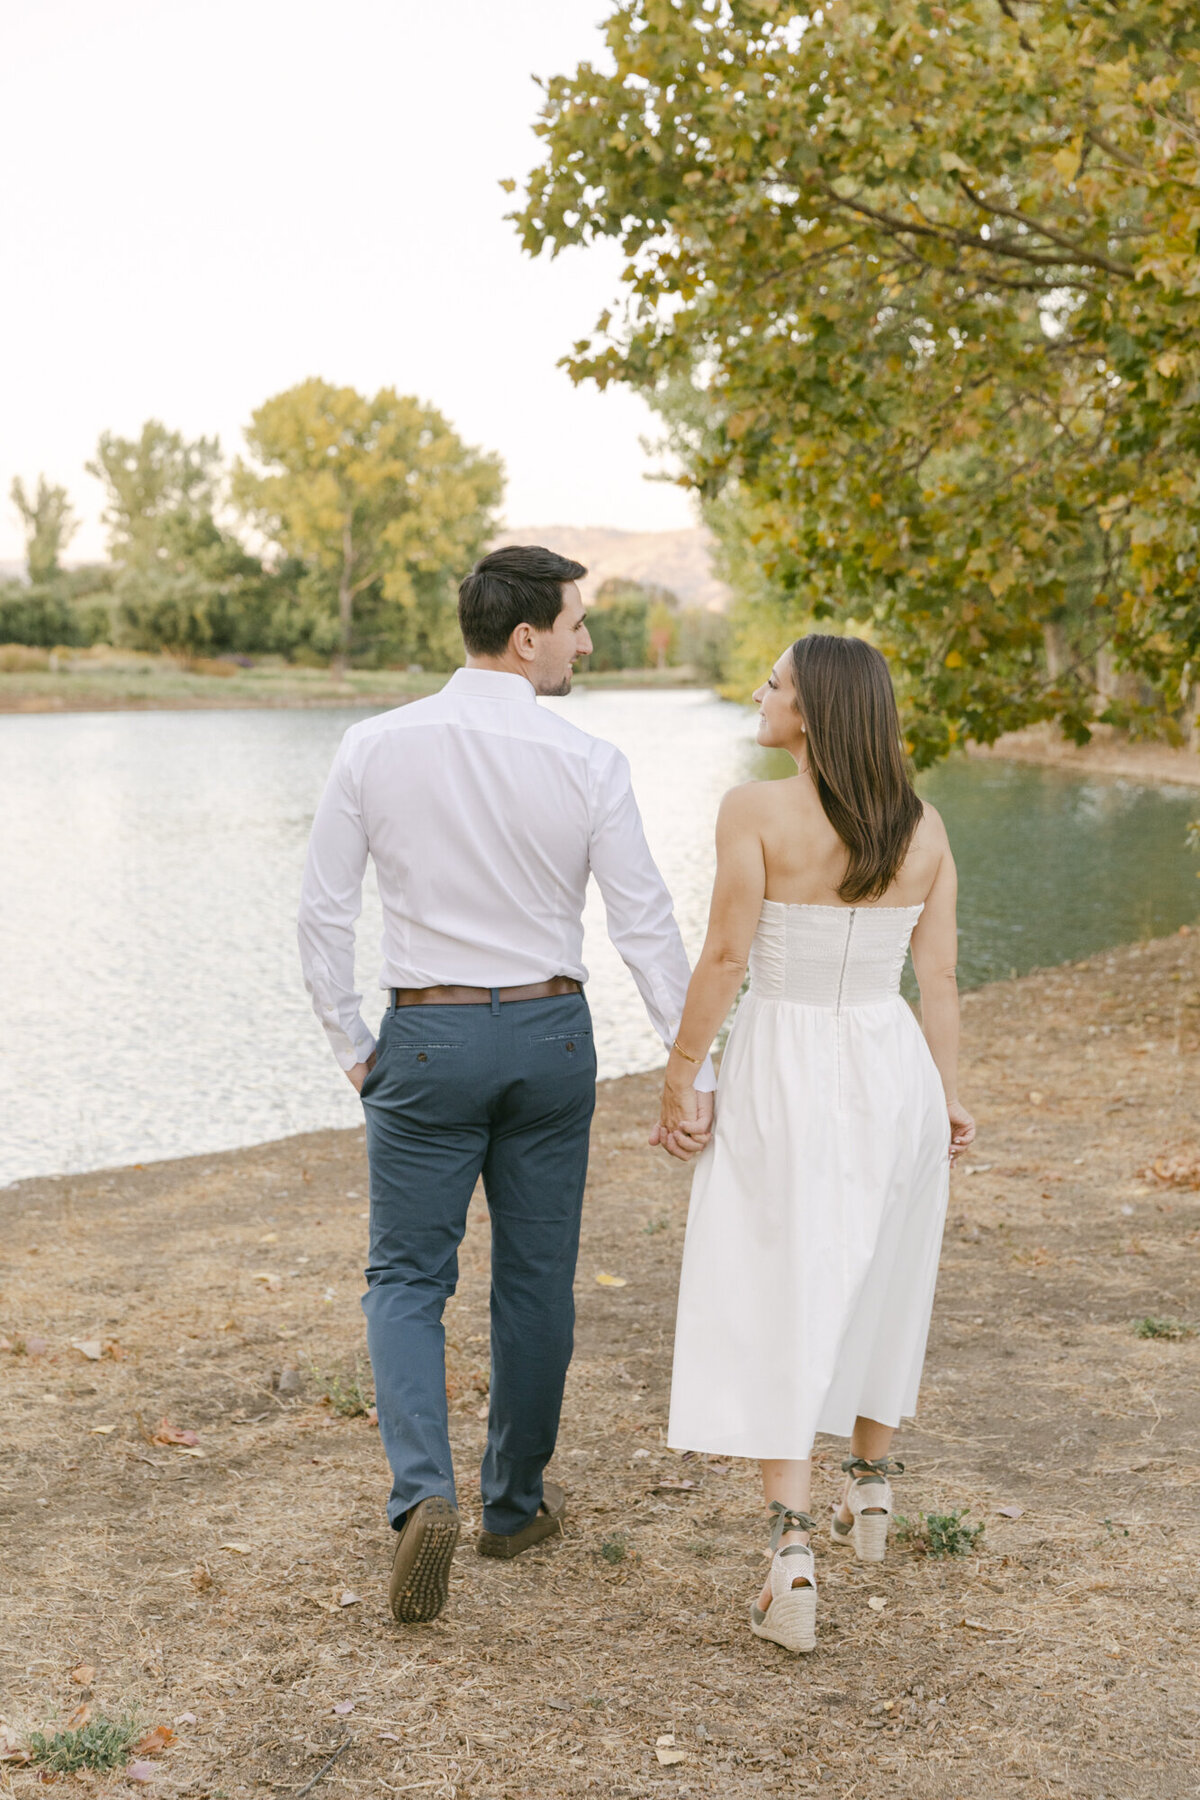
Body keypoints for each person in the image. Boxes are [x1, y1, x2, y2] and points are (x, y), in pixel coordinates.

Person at [298, 544, 714, 1626]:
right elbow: (644, 928)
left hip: (426, 1037)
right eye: (577, 624)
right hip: (548, 1035)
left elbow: (323, 915)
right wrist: (693, 1063)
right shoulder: (589, 760)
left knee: (404, 1281)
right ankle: (514, 1508)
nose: (588, 642)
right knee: (535, 1282)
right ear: (526, 636)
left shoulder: (373, 744)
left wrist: (353, 1045)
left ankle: (420, 1498)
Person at [655, 634, 975, 1655]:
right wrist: (950, 1098)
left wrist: (681, 1072)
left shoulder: (755, 810)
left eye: (777, 683)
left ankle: (792, 1553)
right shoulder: (923, 827)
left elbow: (725, 953)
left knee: (779, 1282)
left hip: (786, 1063)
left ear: (817, 709)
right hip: (894, 1065)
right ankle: (870, 1491)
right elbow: (942, 981)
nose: (760, 693)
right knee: (885, 1271)